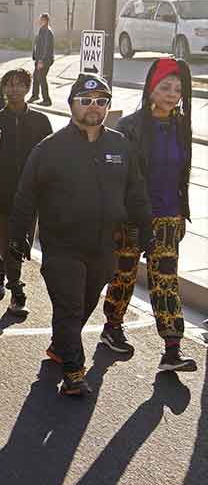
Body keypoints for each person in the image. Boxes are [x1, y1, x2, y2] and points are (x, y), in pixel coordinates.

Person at [10, 74, 153, 397]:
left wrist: (148, 229)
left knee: (84, 305)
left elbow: (137, 193)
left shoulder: (120, 146)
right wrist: (19, 237)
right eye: (86, 100)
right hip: (63, 248)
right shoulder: (49, 149)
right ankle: (74, 372)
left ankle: (61, 347)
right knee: (70, 307)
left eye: (101, 101)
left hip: (104, 248)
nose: (94, 107)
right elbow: (25, 196)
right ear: (72, 103)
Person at [99, 58, 197, 372]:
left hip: (168, 218)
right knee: (124, 275)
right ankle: (112, 327)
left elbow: (183, 173)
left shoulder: (181, 125)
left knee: (165, 282)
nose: (172, 94)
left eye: (178, 90)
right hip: (132, 217)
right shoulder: (129, 126)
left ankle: (172, 349)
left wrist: (182, 213)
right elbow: (114, 175)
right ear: (151, 88)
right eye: (165, 87)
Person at [0, 68, 53, 316]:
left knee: (20, 244)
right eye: (9, 85)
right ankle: (17, 292)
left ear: (27, 88)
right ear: (3, 88)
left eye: (19, 85)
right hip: (3, 196)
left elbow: (50, 158)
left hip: (31, 196)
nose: (14, 90)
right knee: (10, 242)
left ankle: (0, 271)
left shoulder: (41, 122)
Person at [29, 13, 55, 106]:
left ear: (45, 21)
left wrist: (41, 61)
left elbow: (45, 48)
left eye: (41, 19)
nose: (39, 21)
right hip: (39, 59)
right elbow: (37, 45)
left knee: (42, 78)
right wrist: (35, 56)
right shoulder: (42, 30)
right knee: (36, 77)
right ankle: (35, 96)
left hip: (45, 60)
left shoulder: (47, 32)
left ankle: (47, 100)